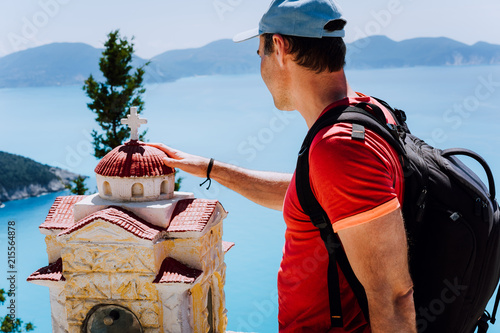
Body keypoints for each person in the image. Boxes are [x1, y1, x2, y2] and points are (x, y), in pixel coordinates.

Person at [149, 0, 416, 331]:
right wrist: (210, 168)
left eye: (259, 52)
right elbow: (314, 197)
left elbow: (394, 297)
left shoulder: (340, 148)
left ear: (279, 46)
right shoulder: (368, 112)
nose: (260, 64)